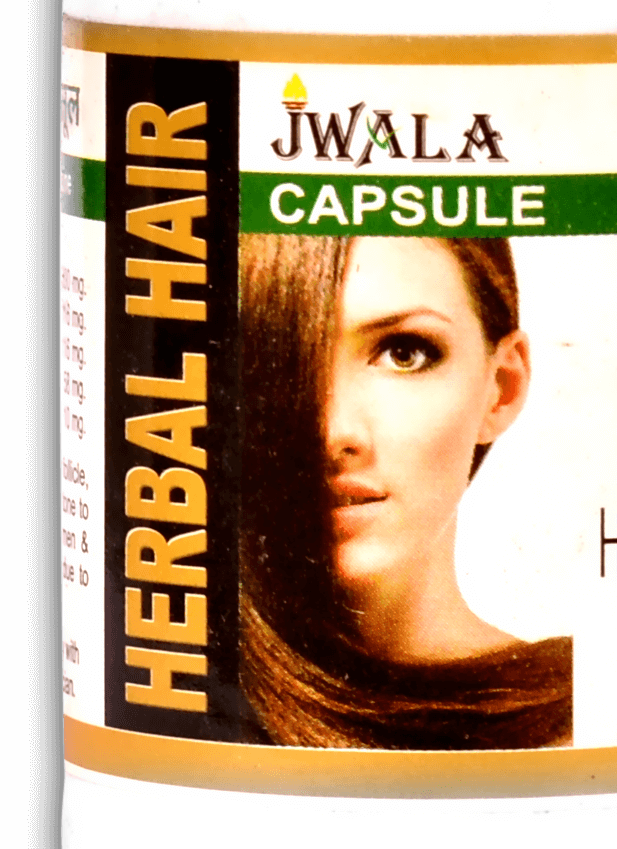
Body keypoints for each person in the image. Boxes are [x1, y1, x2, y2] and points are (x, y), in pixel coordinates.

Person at [239, 232, 572, 748]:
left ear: (502, 387)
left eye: (404, 353)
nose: (334, 432)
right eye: (278, 357)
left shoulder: (582, 714)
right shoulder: (179, 693)